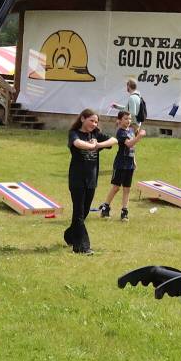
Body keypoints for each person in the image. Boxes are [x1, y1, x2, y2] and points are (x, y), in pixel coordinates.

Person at [65, 109, 117, 255]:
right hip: (77, 179)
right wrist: (92, 145)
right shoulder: (74, 133)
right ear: (82, 119)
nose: (94, 124)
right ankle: (82, 247)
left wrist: (98, 144)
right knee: (79, 213)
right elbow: (78, 144)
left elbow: (114, 140)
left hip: (91, 180)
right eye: (91, 120)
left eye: (96, 121)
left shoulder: (96, 135)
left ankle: (70, 235)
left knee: (85, 211)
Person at [98, 110, 146, 221]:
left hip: (129, 165)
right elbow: (129, 144)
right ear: (119, 120)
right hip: (120, 164)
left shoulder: (130, 131)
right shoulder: (121, 132)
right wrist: (139, 136)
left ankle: (124, 211)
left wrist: (134, 160)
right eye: (125, 119)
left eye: (129, 119)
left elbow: (132, 148)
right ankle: (106, 207)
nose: (128, 121)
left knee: (127, 189)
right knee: (116, 187)